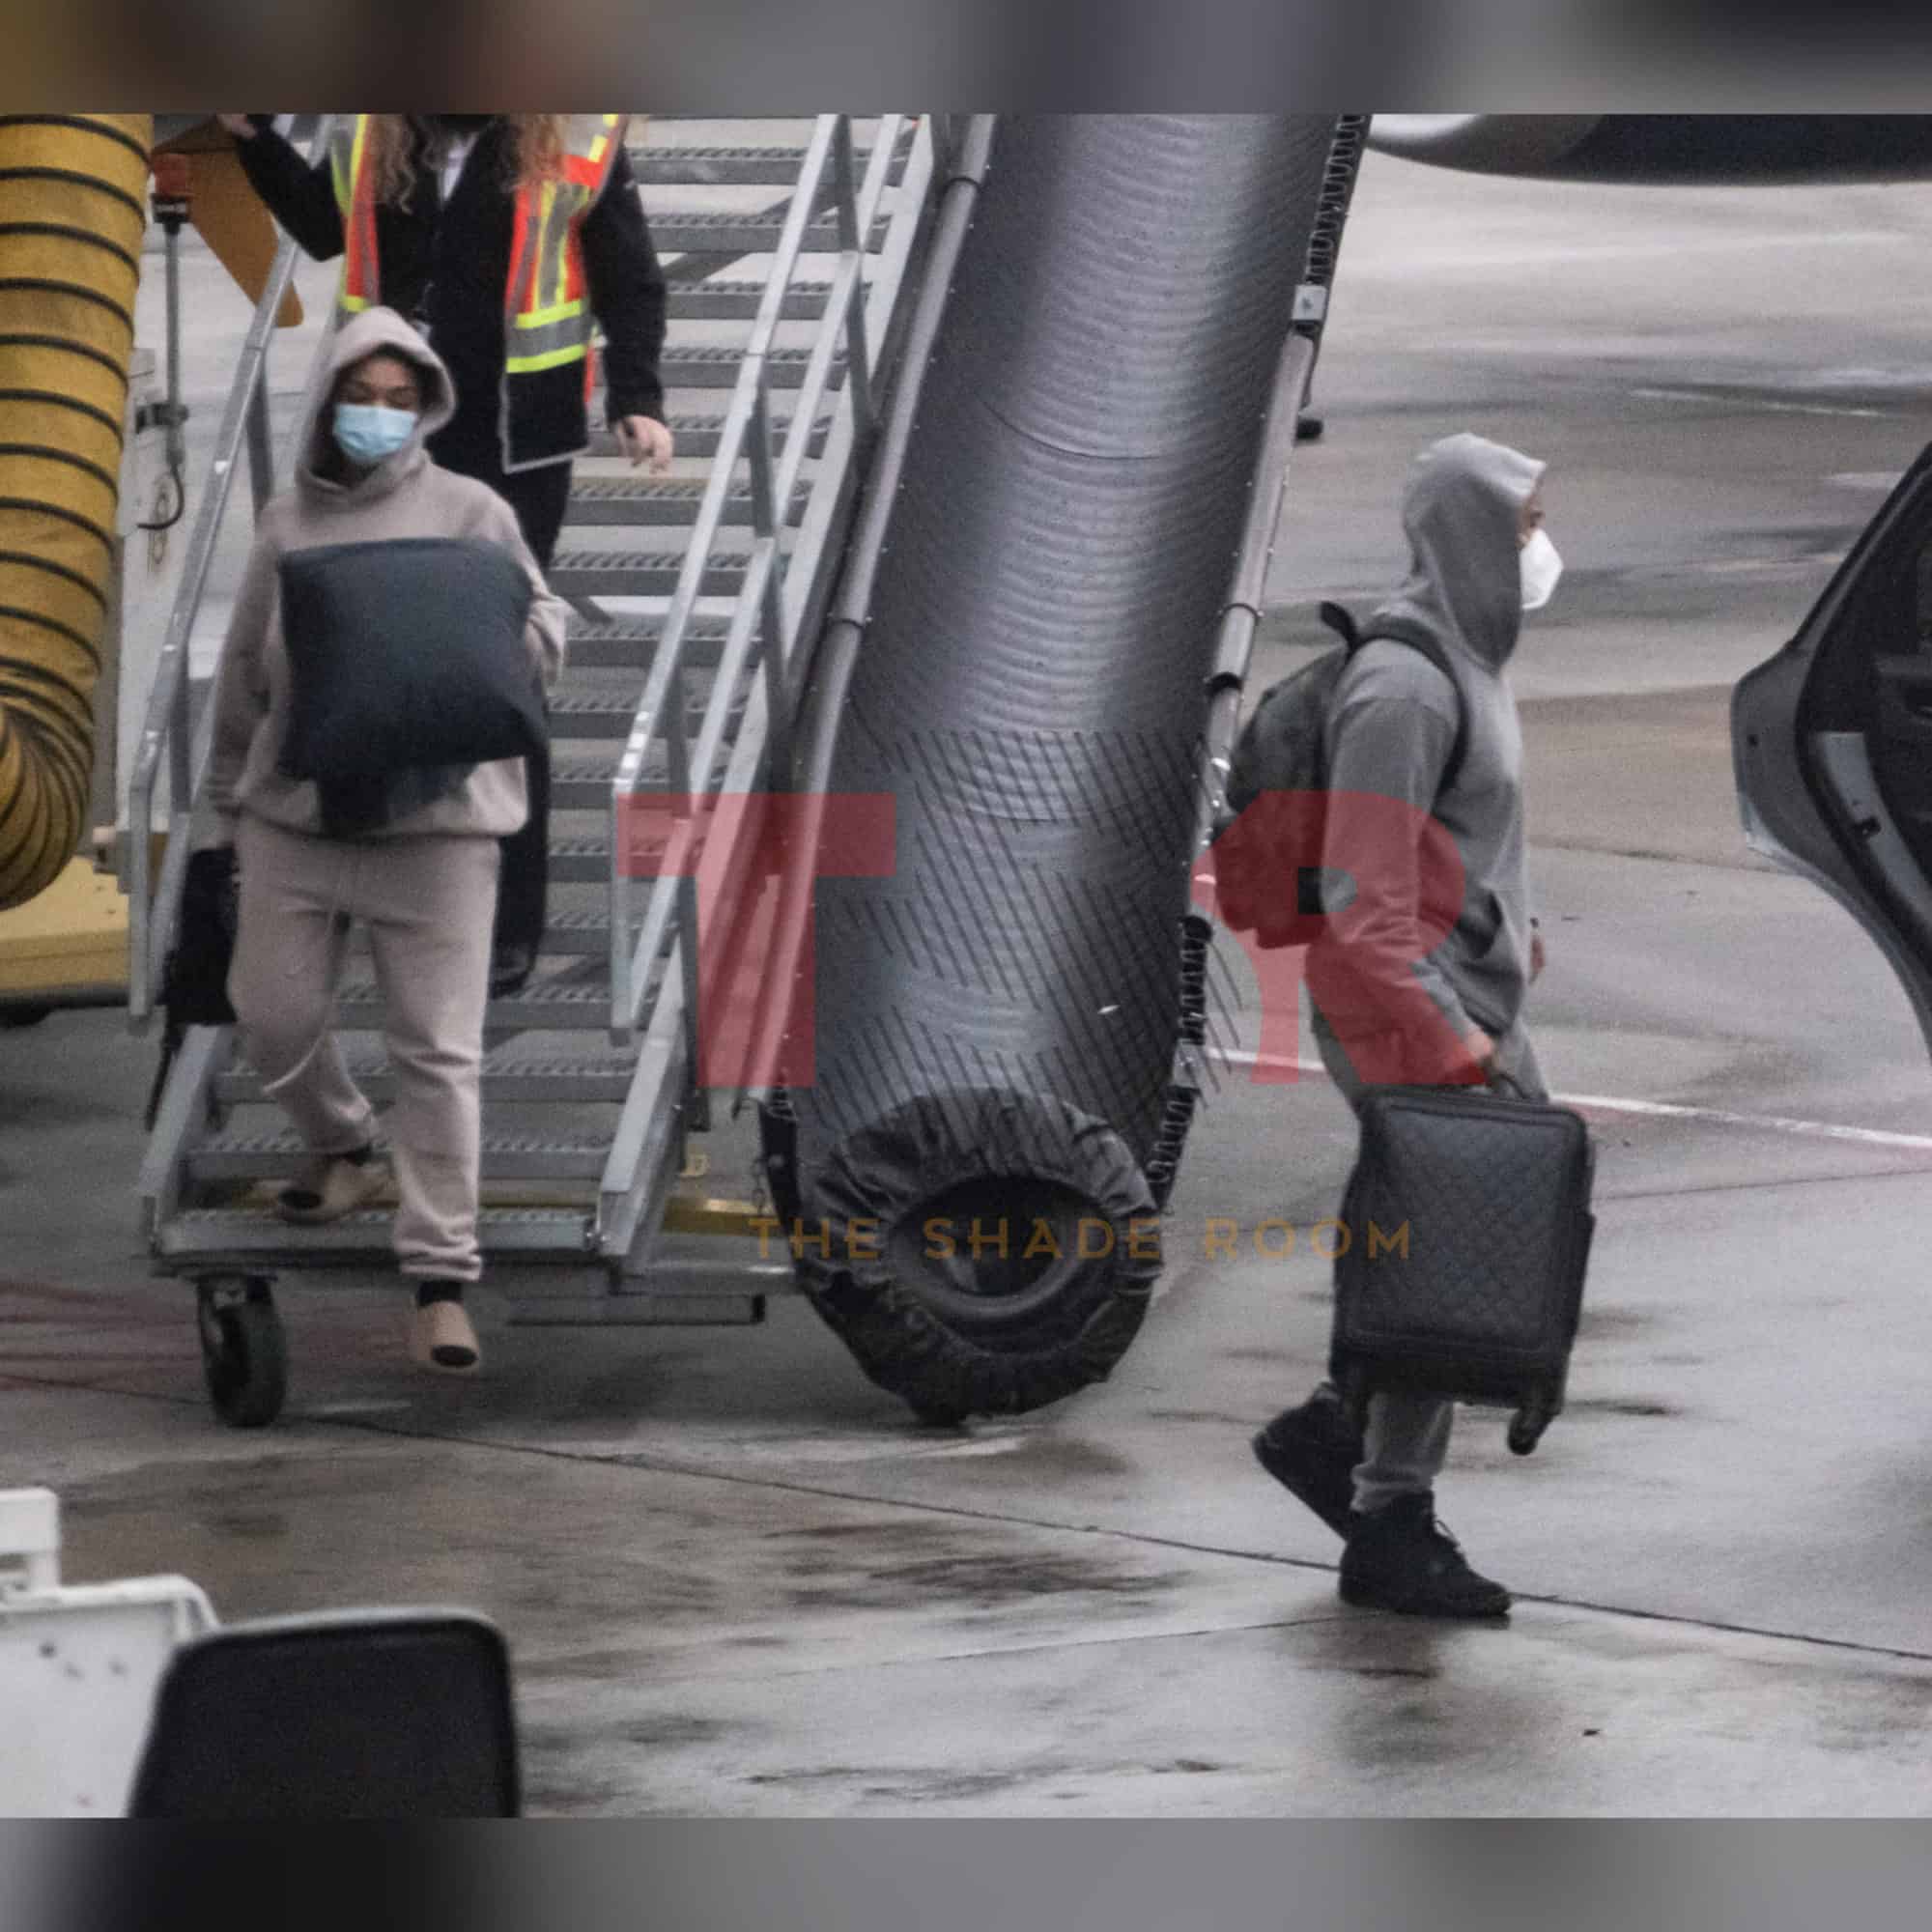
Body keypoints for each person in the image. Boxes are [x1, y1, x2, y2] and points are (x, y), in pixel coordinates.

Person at [218, 112, 672, 994]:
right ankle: (368, 875)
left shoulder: (578, 139)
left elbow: (628, 277)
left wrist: (639, 395)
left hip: (513, 447)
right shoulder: (367, 133)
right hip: (388, 439)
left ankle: (509, 918)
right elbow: (321, 227)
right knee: (363, 657)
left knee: (494, 668)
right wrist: (253, 140)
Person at [201, 307, 570, 1375]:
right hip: (296, 815)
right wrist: (229, 796)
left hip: (440, 825)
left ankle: (440, 1278)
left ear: (428, 408)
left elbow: (544, 622)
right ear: (326, 400)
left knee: (438, 1052)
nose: (377, 416)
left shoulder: (471, 509)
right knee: (271, 1014)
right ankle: (341, 1141)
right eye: (360, 396)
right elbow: (243, 671)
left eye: (399, 400)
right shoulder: (285, 522)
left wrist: (488, 640)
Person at [1251, 431, 1560, 1619]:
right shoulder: (1405, 684)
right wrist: (1450, 1045)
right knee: (1452, 1253)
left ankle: (1341, 1430)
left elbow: (1458, 839)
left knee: (1447, 1244)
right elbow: (1363, 906)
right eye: (1523, 522)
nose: (1537, 545)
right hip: (1404, 1011)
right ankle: (1386, 1519)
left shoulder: (1470, 661)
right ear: (1469, 531)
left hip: (1464, 993)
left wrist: (1509, 927)